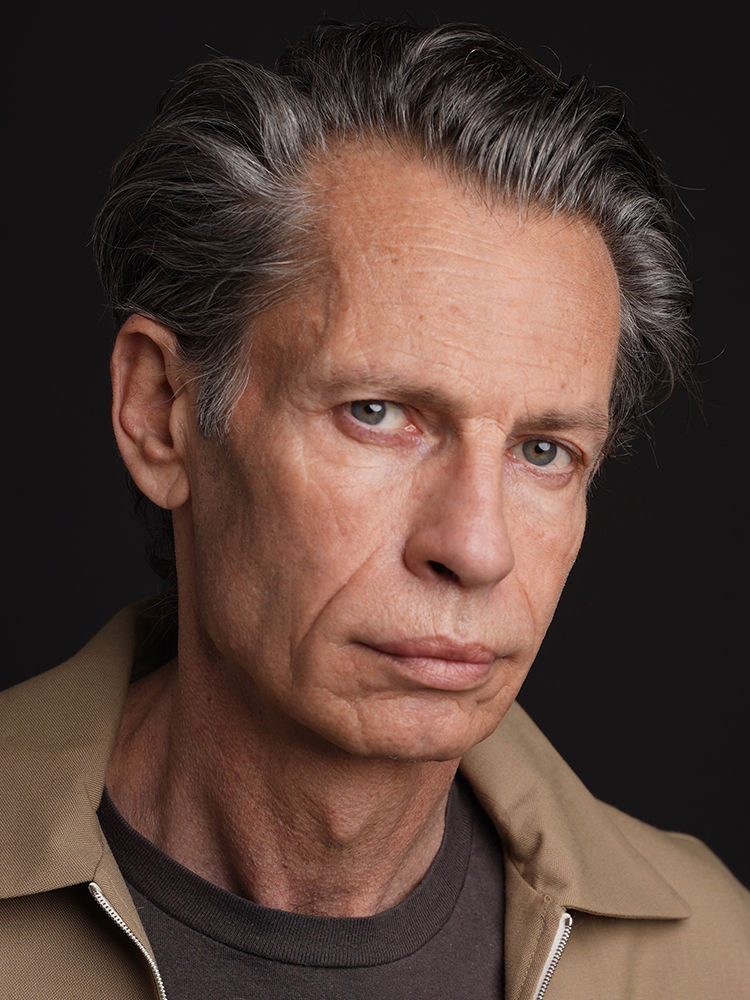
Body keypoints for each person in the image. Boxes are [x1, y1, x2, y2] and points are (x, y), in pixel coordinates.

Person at [1, 19, 748, 1000]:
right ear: (163, 415)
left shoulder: (715, 958)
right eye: (379, 413)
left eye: (543, 450)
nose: (474, 546)